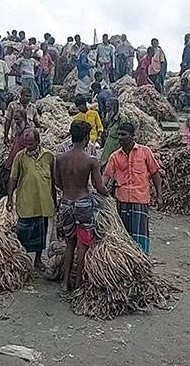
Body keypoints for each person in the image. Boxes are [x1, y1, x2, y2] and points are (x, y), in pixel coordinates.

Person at [56, 121, 110, 291]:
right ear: (87, 138)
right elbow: (99, 187)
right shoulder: (91, 160)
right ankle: (78, 282)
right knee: (83, 244)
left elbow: (57, 183)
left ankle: (65, 283)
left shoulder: (60, 158)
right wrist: (109, 194)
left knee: (69, 242)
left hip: (65, 203)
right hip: (83, 203)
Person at [102, 123, 163, 253]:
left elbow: (155, 175)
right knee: (124, 237)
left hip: (140, 200)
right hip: (122, 201)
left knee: (140, 236)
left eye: (123, 134)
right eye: (119, 134)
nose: (120, 137)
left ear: (132, 136)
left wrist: (159, 197)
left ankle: (142, 261)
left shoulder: (145, 152)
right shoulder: (114, 156)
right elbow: (106, 177)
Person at [7, 128, 54, 269]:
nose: (27, 147)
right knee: (23, 232)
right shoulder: (20, 157)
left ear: (38, 142)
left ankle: (38, 260)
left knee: (41, 233)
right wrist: (9, 197)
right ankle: (22, 260)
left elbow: (54, 179)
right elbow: (13, 178)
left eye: (31, 144)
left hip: (43, 202)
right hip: (26, 200)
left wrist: (55, 201)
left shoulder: (48, 156)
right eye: (25, 144)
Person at [4, 87, 40, 170]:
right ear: (21, 95)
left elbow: (36, 121)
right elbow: (7, 121)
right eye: (26, 96)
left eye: (30, 96)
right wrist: (5, 136)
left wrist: (42, 128)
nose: (28, 98)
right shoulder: (12, 105)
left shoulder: (33, 107)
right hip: (16, 136)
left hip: (29, 138)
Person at [99, 97, 125, 170]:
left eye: (109, 107)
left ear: (115, 107)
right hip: (108, 147)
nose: (107, 109)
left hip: (115, 148)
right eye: (106, 106)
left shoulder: (121, 119)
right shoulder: (110, 116)